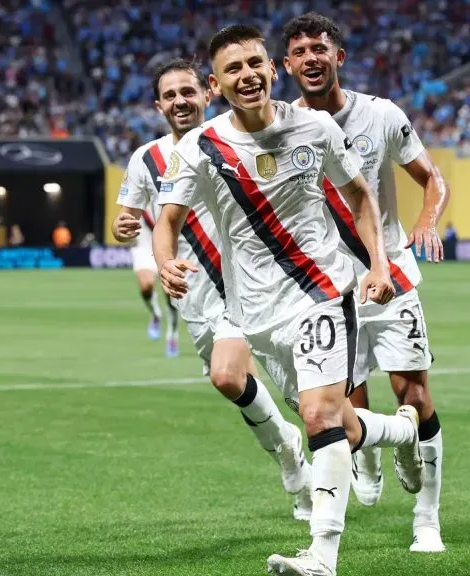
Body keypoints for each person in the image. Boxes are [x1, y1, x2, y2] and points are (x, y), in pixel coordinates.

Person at [153, 25, 424, 576]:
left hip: (322, 291)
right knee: (340, 424)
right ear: (216, 85)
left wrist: (377, 264)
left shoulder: (316, 127)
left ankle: (322, 554)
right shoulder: (199, 146)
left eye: (255, 63)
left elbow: (359, 196)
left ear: (272, 69)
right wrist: (164, 262)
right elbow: (168, 221)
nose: (247, 75)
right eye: (233, 69)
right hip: (255, 313)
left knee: (319, 417)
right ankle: (401, 431)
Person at [111, 58, 313, 520]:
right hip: (196, 297)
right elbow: (128, 218)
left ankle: (333, 453)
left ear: (208, 91)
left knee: (254, 383)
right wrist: (122, 227)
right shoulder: (147, 159)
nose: (180, 101)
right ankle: (292, 455)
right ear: (158, 105)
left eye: (188, 91)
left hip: (255, 287)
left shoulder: (234, 139)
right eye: (170, 95)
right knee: (236, 383)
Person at [283, 12, 448, 553]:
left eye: (319, 48)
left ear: (339, 57)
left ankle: (427, 521)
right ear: (288, 65)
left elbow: (432, 179)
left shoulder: (380, 114)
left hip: (391, 271)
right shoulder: (284, 128)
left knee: (415, 394)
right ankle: (376, 448)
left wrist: (427, 220)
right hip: (330, 290)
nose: (311, 58)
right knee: (343, 404)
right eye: (300, 51)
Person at [125, 175, 181, 350]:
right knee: (146, 286)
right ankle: (156, 313)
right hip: (143, 245)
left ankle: (172, 332)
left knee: (170, 293)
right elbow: (124, 215)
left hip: (166, 245)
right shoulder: (136, 190)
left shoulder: (171, 191)